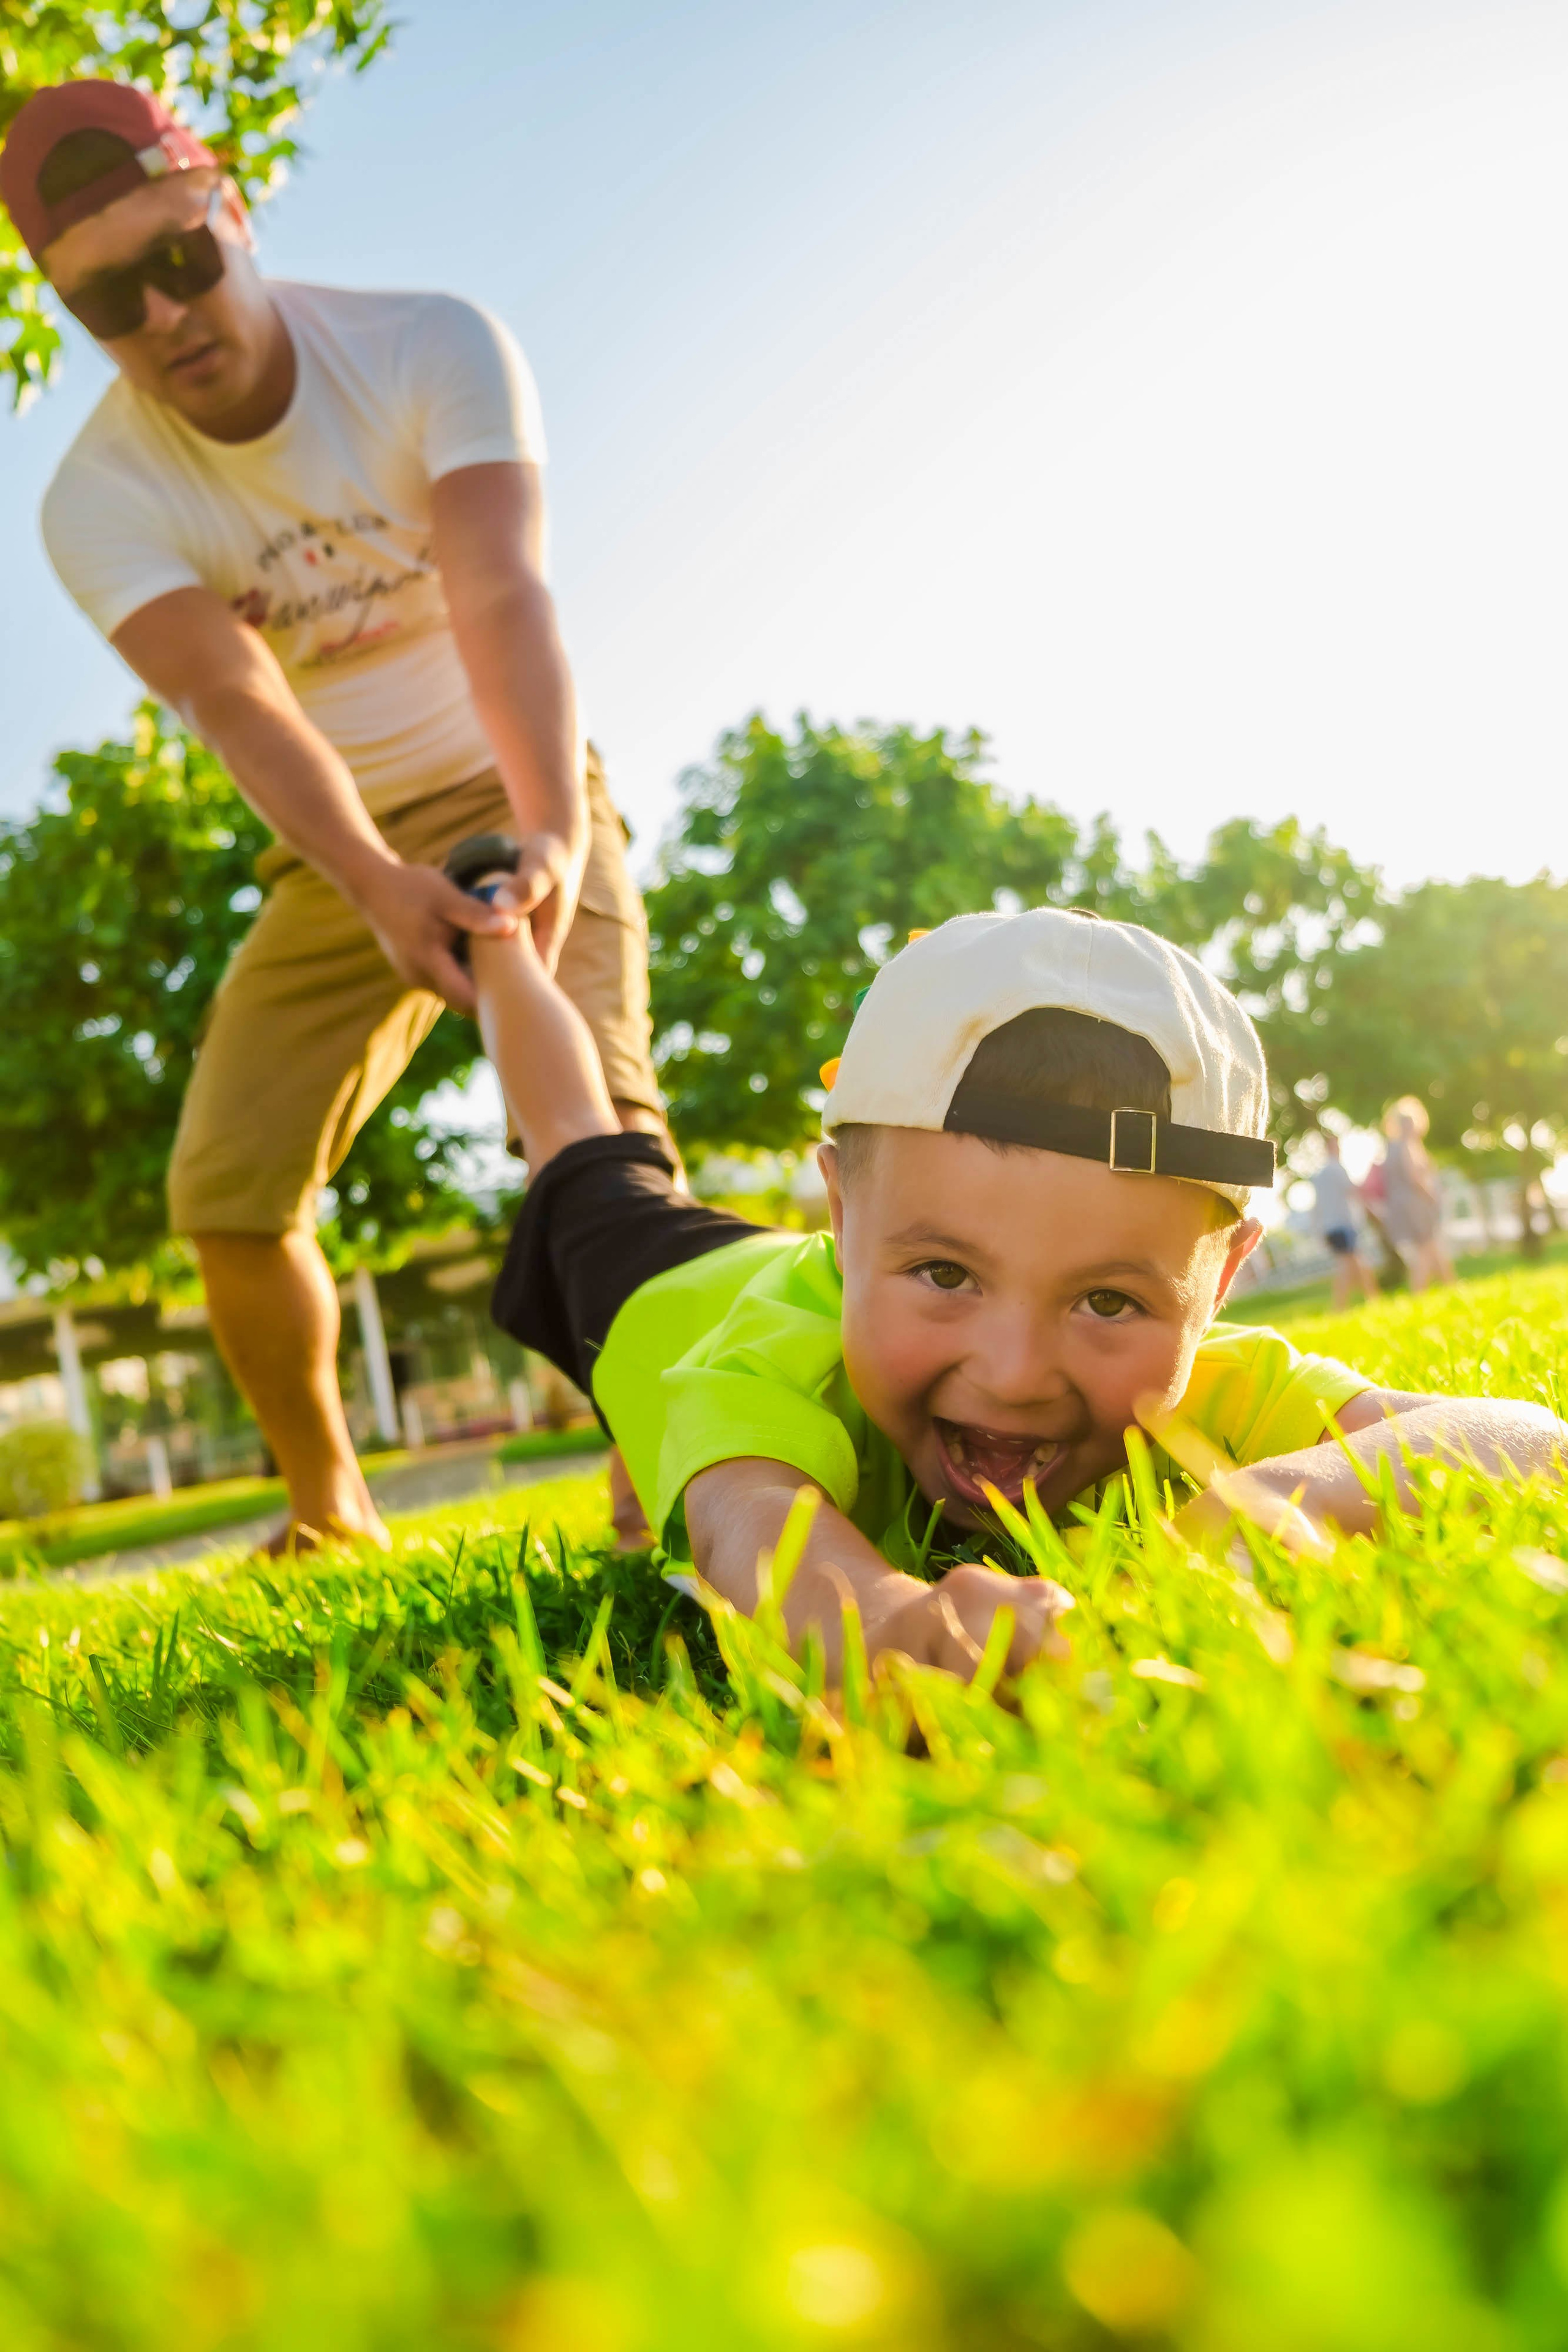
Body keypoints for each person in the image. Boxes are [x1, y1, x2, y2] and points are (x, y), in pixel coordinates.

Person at [0, 83, 671, 1552]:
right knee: (225, 1190)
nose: (167, 312)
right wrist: (372, 880)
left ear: (232, 213)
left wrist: (550, 829)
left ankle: (670, 1473)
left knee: (603, 1119)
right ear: (72, 315)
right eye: (112, 297)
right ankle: (329, 1505)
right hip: (341, 836)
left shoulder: (428, 343)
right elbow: (244, 708)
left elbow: (502, 591)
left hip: (514, 770)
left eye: (182, 258)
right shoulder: (93, 501)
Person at [448, 861, 1566, 1686]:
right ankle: (499, 936)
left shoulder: (1211, 1402)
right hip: (664, 1290)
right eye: (944, 1274)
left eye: (1109, 1301)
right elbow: (753, 1526)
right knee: (581, 1142)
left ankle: (650, 1470)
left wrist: (1276, 1501)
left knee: (655, 1483)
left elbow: (1527, 1439)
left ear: (1217, 1285)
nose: (1017, 1371)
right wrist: (885, 1629)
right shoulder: (777, 1360)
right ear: (842, 1218)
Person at [1380, 1097, 1454, 1294]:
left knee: (1433, 1249)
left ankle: (1451, 1287)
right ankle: (1419, 1293)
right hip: (1416, 1204)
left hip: (1404, 1204)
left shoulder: (1392, 1147)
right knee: (1426, 1248)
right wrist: (1433, 1196)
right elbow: (1415, 1178)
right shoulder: (1406, 1146)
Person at [1310, 1131, 1378, 1310]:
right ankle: (1341, 1306)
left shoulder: (1320, 1175)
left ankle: (1371, 1298)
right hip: (1342, 1225)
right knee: (1348, 1265)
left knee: (1355, 1263)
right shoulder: (1336, 1169)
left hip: (1331, 1227)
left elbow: (1317, 1206)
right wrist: (1373, 1210)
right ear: (1329, 1148)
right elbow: (1354, 1192)